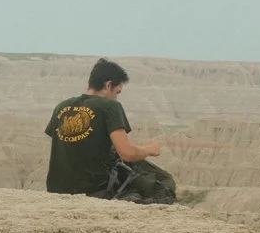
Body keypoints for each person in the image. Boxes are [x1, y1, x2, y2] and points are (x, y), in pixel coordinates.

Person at [44, 58, 174, 202]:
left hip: (56, 189)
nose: (116, 97)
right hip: (94, 191)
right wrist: (149, 150)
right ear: (108, 85)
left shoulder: (61, 107)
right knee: (162, 182)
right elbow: (128, 154)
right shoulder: (110, 107)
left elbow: (67, 146)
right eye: (117, 92)